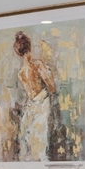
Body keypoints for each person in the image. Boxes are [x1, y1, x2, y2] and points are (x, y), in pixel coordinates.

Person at [14, 31, 56, 160]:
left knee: (28, 138)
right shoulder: (37, 65)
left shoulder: (21, 73)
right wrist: (49, 73)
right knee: (40, 139)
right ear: (30, 47)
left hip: (31, 106)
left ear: (18, 52)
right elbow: (52, 88)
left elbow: (31, 92)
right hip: (41, 104)